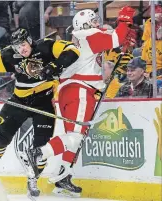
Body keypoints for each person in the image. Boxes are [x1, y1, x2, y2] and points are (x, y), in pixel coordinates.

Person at [25, 7, 137, 197]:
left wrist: (123, 38)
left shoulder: (84, 37)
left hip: (71, 92)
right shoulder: (89, 35)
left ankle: (62, 178)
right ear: (85, 24)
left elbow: (112, 39)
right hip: (80, 91)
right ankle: (39, 153)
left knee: (74, 138)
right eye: (93, 21)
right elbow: (115, 38)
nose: (96, 23)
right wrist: (125, 21)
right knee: (76, 137)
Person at [0, 28, 79, 198]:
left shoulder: (46, 47)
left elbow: (73, 50)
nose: (21, 49)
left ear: (29, 40)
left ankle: (33, 180)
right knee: (3, 137)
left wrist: (56, 65)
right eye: (17, 47)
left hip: (44, 103)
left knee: (41, 147)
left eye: (23, 44)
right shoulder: (9, 55)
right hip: (19, 101)